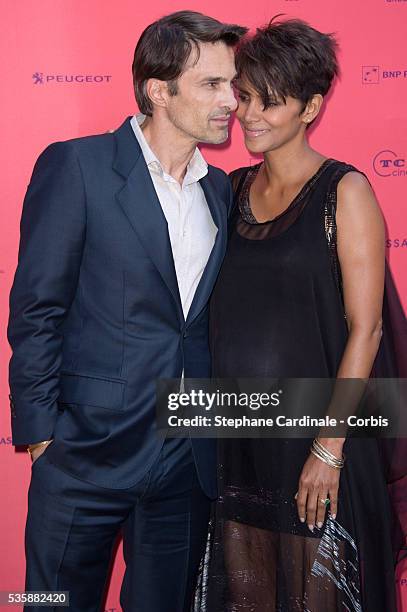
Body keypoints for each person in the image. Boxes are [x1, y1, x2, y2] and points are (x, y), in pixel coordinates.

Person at [7, 11, 247, 612]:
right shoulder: (78, 167)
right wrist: (42, 441)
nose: (232, 102)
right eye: (213, 85)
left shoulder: (219, 190)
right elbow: (37, 308)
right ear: (158, 91)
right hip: (84, 454)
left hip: (184, 460)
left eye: (233, 85)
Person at [197, 18, 407, 612]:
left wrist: (329, 449)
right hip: (241, 439)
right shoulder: (229, 190)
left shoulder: (346, 191)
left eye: (272, 101)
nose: (250, 115)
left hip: (322, 443)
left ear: (312, 106)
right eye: (245, 97)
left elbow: (367, 329)